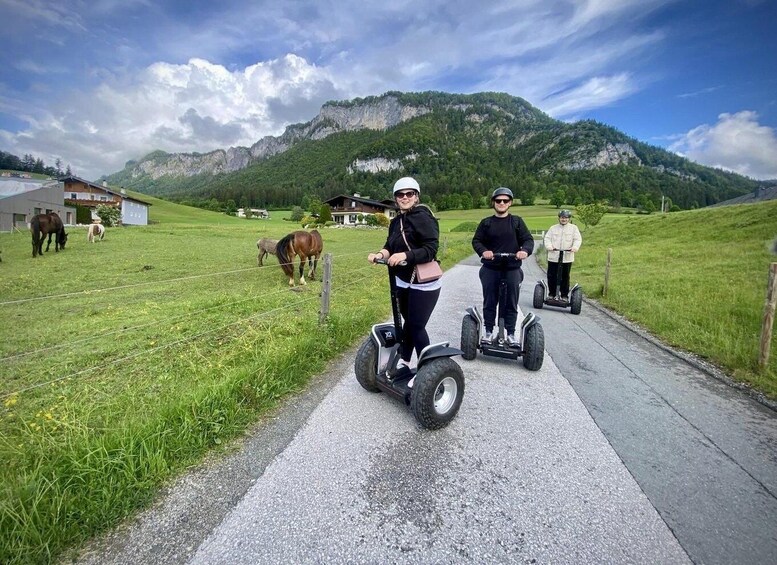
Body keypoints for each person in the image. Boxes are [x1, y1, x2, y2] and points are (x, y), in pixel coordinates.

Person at [367, 177, 440, 384]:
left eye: (409, 194)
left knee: (417, 325)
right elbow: (389, 245)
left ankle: (426, 371)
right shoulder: (395, 222)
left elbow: (430, 249)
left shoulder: (424, 217)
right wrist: (381, 255)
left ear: (416, 196)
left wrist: (406, 256)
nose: (405, 198)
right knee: (409, 323)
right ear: (396, 199)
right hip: (402, 280)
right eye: (401, 195)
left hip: (424, 282)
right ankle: (406, 362)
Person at [471, 187, 534, 345]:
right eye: (498, 200)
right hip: (491, 269)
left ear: (510, 203)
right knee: (490, 300)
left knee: (511, 301)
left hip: (512, 268)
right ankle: (488, 331)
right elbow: (476, 241)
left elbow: (528, 240)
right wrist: (484, 251)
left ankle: (511, 333)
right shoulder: (486, 223)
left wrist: (525, 251)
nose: (501, 203)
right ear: (493, 203)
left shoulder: (517, 222)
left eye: (505, 201)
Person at [543, 209, 582, 301]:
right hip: (553, 256)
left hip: (567, 257)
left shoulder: (573, 228)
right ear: (559, 218)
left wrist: (575, 247)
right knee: (551, 275)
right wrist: (549, 246)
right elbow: (547, 238)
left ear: (568, 219)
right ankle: (552, 294)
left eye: (565, 218)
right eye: (562, 217)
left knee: (565, 276)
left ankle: (564, 295)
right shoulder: (553, 228)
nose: (563, 219)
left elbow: (577, 239)